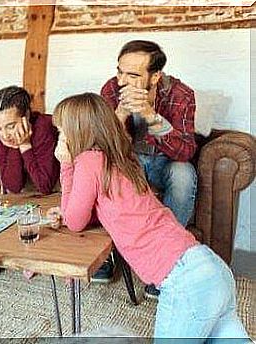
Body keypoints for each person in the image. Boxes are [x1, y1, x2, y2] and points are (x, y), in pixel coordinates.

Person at [47, 92, 249, 341]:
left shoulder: (88, 161)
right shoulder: (121, 160)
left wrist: (66, 165)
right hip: (211, 268)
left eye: (61, 131)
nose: (60, 138)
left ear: (78, 132)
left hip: (185, 280)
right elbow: (106, 209)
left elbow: (75, 221)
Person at [100, 40, 197, 296]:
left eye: (132, 75)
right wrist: (119, 116)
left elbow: (185, 151)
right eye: (120, 71)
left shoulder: (180, 94)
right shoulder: (110, 89)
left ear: (155, 77)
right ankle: (105, 255)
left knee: (184, 174)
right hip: (131, 162)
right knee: (106, 171)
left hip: (165, 161)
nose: (121, 81)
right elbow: (105, 149)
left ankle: (167, 261)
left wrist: (150, 115)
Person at [0, 86, 60, 195]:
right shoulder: (0, 134)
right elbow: (14, 187)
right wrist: (15, 146)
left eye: (11, 126)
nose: (4, 135)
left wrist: (25, 145)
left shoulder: (44, 128)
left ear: (26, 116)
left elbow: (45, 186)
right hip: (30, 194)